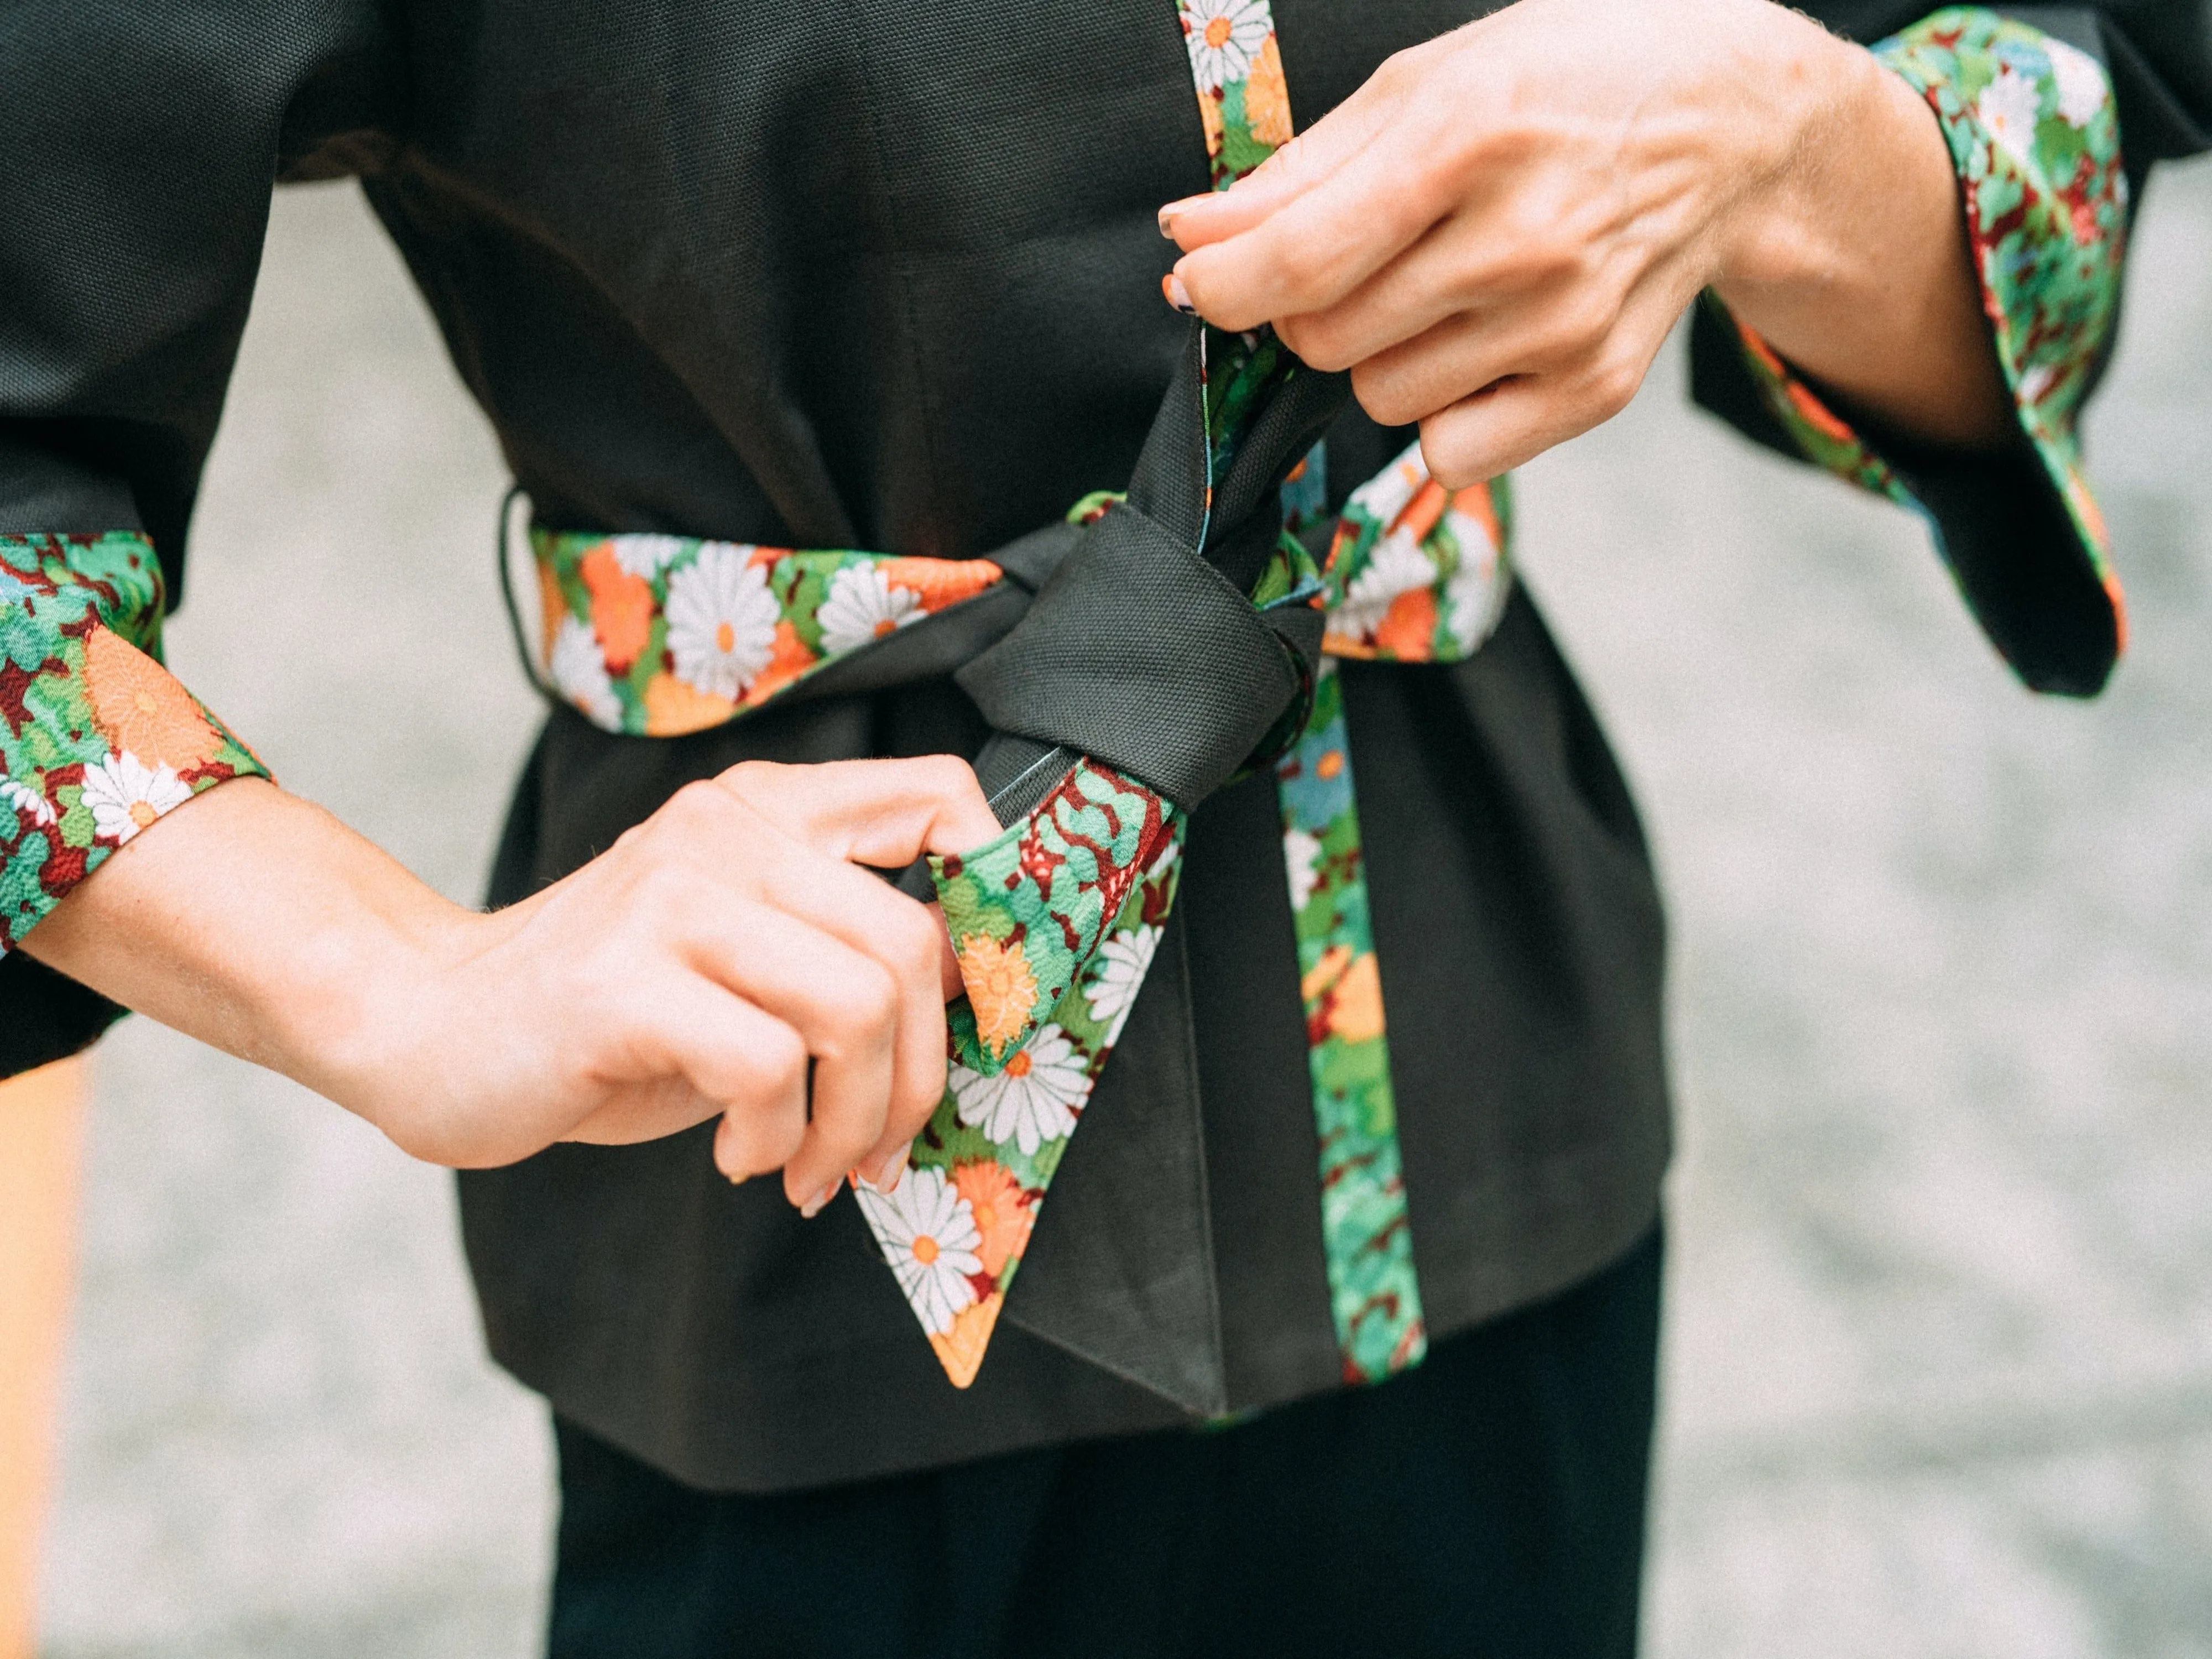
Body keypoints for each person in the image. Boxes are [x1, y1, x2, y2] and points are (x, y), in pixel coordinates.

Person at [1, 0, 2201, 1652]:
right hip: (809, 1150)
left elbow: (2027, 106)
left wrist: (1790, 141)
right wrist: (388, 971)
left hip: (1477, 1119)